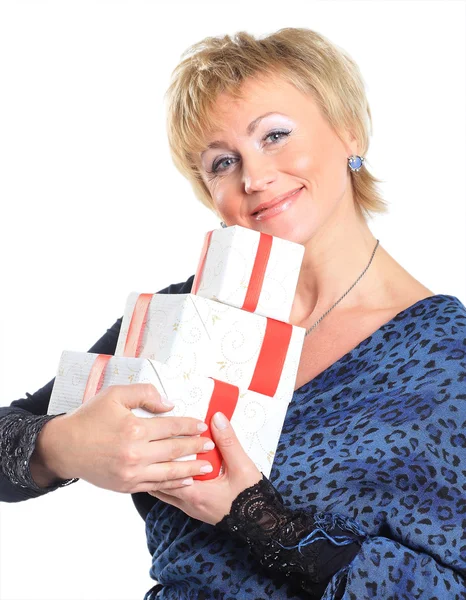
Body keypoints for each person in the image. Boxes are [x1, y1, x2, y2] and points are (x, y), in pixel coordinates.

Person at [1, 27, 465, 600]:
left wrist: (255, 517)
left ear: (350, 130)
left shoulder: (448, 358)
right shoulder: (183, 317)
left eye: (275, 135)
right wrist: (63, 447)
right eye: (222, 162)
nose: (254, 177)